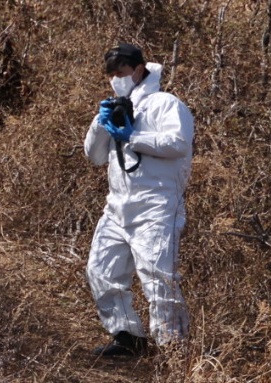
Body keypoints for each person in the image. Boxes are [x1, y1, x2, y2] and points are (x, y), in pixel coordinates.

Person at [83, 43, 194, 358]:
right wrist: (101, 124)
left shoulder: (165, 104)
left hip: (157, 206)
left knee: (159, 278)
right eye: (113, 74)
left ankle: (173, 349)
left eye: (123, 72)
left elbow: (177, 143)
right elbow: (94, 157)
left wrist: (132, 137)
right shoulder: (117, 106)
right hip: (117, 207)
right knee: (101, 270)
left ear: (140, 69)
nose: (118, 79)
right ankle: (127, 336)